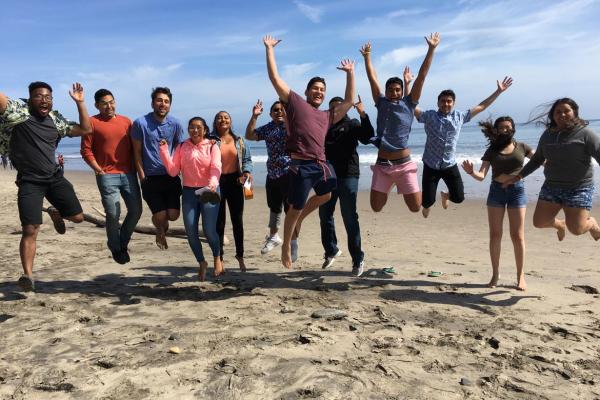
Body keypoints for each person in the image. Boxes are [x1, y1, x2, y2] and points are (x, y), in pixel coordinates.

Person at [263, 35, 356, 269]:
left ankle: (302, 217)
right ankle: (286, 245)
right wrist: (270, 49)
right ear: (306, 91)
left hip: (321, 163)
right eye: (315, 88)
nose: (319, 92)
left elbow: (349, 100)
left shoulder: (327, 115)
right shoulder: (295, 103)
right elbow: (275, 78)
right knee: (293, 208)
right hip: (300, 164)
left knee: (326, 194)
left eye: (322, 89)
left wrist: (350, 73)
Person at [0, 82, 92, 291]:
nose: (44, 100)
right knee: (30, 229)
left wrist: (80, 103)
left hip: (54, 178)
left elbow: (86, 129)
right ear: (30, 98)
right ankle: (28, 276)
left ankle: (55, 211)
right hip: (29, 182)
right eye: (39, 96)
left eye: (48, 97)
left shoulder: (56, 121)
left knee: (77, 218)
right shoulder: (18, 114)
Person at [360, 33, 439, 213]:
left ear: (402, 91)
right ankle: (389, 185)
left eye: (398, 90)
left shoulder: (409, 103)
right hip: (382, 164)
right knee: (376, 207)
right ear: (386, 92)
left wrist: (431, 49)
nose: (394, 93)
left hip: (404, 165)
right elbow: (372, 79)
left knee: (415, 208)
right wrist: (367, 57)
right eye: (391, 90)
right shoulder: (381, 102)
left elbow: (422, 75)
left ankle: (404, 185)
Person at [504, 98, 600, 241]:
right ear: (553, 116)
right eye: (558, 112)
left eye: (566, 111)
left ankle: (591, 224)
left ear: (575, 112)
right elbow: (537, 159)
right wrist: (518, 176)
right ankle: (560, 224)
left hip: (579, 188)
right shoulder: (547, 135)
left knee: (576, 229)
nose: (562, 115)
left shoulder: (586, 134)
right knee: (539, 222)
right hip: (552, 186)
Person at [416, 77, 514, 218]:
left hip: (449, 164)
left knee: (459, 198)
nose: (446, 104)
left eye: (449, 101)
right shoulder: (429, 116)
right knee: (428, 201)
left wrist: (498, 92)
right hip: (431, 165)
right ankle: (427, 205)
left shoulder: (460, 116)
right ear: (438, 102)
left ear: (453, 103)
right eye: (442, 101)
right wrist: (407, 86)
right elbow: (412, 106)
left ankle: (446, 195)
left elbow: (482, 106)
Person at [462, 117, 535, 290]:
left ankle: (520, 276)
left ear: (513, 129)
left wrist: (554, 163)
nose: (505, 130)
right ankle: (495, 274)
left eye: (508, 127)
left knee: (517, 235)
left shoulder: (523, 147)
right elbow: (481, 176)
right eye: (501, 128)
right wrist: (472, 172)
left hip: (517, 192)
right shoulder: (491, 150)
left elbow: (539, 161)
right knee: (495, 235)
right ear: (496, 130)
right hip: (496, 193)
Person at [81, 89, 142, 264]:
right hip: (106, 175)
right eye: (104, 103)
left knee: (136, 211)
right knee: (113, 213)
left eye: (112, 102)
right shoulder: (91, 122)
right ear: (97, 105)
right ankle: (116, 248)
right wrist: (97, 169)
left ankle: (122, 241)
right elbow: (86, 150)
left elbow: (136, 148)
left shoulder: (126, 122)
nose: (109, 106)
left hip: (129, 174)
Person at [160, 117, 223, 280]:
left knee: (209, 231)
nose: (195, 130)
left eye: (199, 127)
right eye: (192, 127)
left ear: (205, 130)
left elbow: (216, 168)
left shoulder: (212, 146)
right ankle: (202, 262)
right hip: (188, 192)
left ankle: (217, 256)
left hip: (209, 190)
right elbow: (173, 171)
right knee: (190, 231)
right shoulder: (182, 146)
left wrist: (212, 185)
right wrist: (164, 151)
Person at [318, 95, 374, 276]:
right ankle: (331, 250)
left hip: (348, 175)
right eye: (332, 108)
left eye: (339, 107)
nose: (335, 110)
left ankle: (357, 259)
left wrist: (363, 114)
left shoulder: (352, 124)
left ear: (346, 108)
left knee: (349, 216)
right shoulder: (323, 127)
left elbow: (367, 137)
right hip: (327, 176)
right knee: (324, 214)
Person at [131, 87, 185, 250]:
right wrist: (142, 177)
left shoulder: (175, 124)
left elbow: (180, 149)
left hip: (170, 176)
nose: (163, 104)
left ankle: (162, 225)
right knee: (161, 215)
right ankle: (160, 229)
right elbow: (137, 152)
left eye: (166, 101)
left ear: (170, 105)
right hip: (150, 177)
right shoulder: (141, 123)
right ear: (153, 103)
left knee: (173, 216)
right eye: (159, 100)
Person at [245, 100, 290, 255]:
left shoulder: (292, 126)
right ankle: (274, 237)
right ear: (270, 114)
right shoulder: (269, 128)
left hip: (290, 174)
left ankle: (292, 241)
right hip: (272, 174)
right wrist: (255, 116)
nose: (279, 112)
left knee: (291, 209)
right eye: (275, 110)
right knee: (275, 208)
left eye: (282, 109)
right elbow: (249, 135)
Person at [210, 111, 253, 273]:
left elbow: (247, 160)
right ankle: (219, 258)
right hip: (217, 183)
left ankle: (240, 256)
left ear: (231, 121)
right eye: (220, 117)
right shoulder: (209, 140)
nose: (223, 120)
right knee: (219, 223)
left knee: (238, 222)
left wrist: (247, 172)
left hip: (236, 182)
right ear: (215, 122)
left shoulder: (239, 140)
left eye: (226, 117)